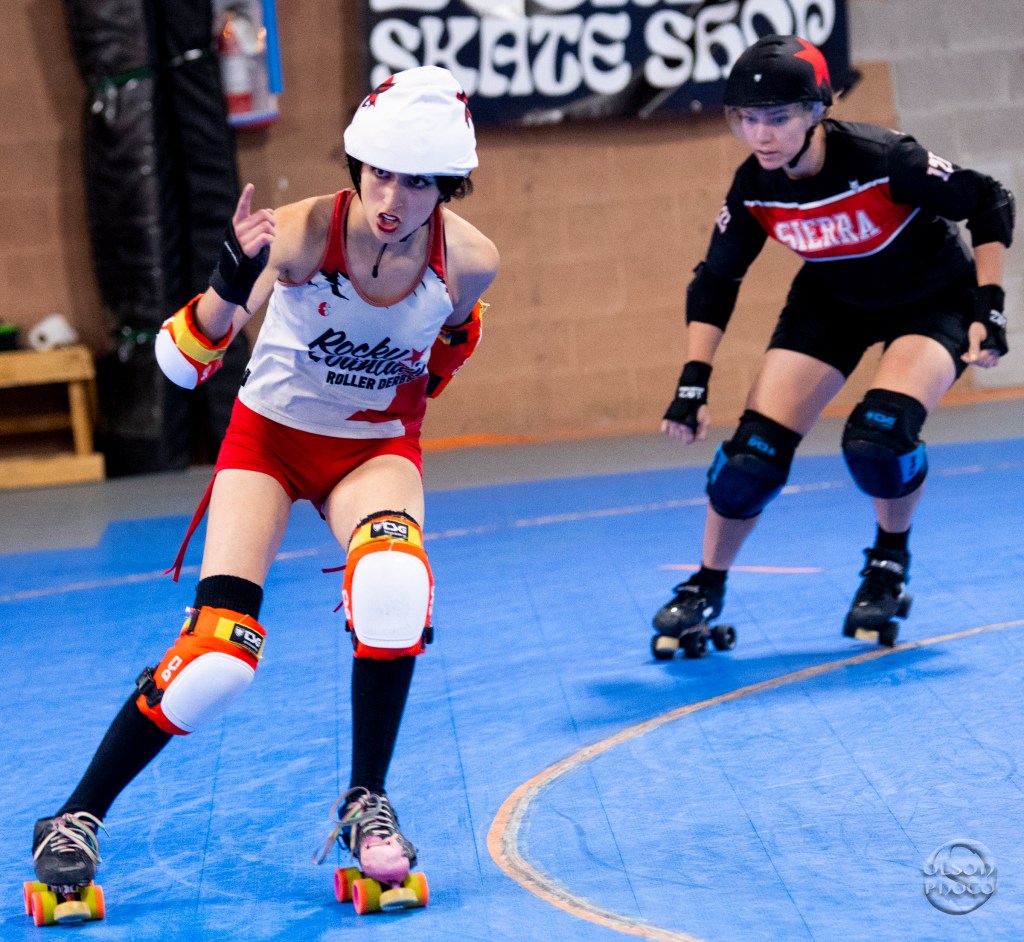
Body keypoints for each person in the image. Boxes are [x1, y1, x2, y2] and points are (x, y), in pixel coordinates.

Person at [27, 65, 498, 919]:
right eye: (380, 173)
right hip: (270, 443)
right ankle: (74, 816)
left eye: (418, 182)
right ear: (357, 162)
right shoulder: (298, 234)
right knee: (217, 660)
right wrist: (224, 282)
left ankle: (366, 801)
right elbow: (180, 365)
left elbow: (449, 350)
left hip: (375, 449)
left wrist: (387, 401)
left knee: (394, 582)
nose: (392, 198)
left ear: (448, 185)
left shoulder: (470, 262)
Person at [653, 35, 1014, 652]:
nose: (761, 135)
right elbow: (716, 280)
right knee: (750, 459)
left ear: (817, 110)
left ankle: (888, 563)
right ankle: (705, 585)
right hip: (834, 300)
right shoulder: (754, 186)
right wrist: (693, 379)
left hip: (932, 297)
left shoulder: (885, 159)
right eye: (747, 120)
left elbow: (987, 200)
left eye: (777, 118)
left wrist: (991, 305)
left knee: (878, 437)